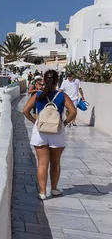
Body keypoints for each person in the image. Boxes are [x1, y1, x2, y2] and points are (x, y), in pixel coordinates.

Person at [23, 70, 77, 200]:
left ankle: (42, 192)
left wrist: (35, 121)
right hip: (57, 131)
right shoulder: (62, 96)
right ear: (57, 81)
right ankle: (54, 189)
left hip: (40, 132)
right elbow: (73, 112)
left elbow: (25, 111)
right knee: (55, 162)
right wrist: (64, 123)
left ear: (43, 80)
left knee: (42, 163)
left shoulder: (38, 95)